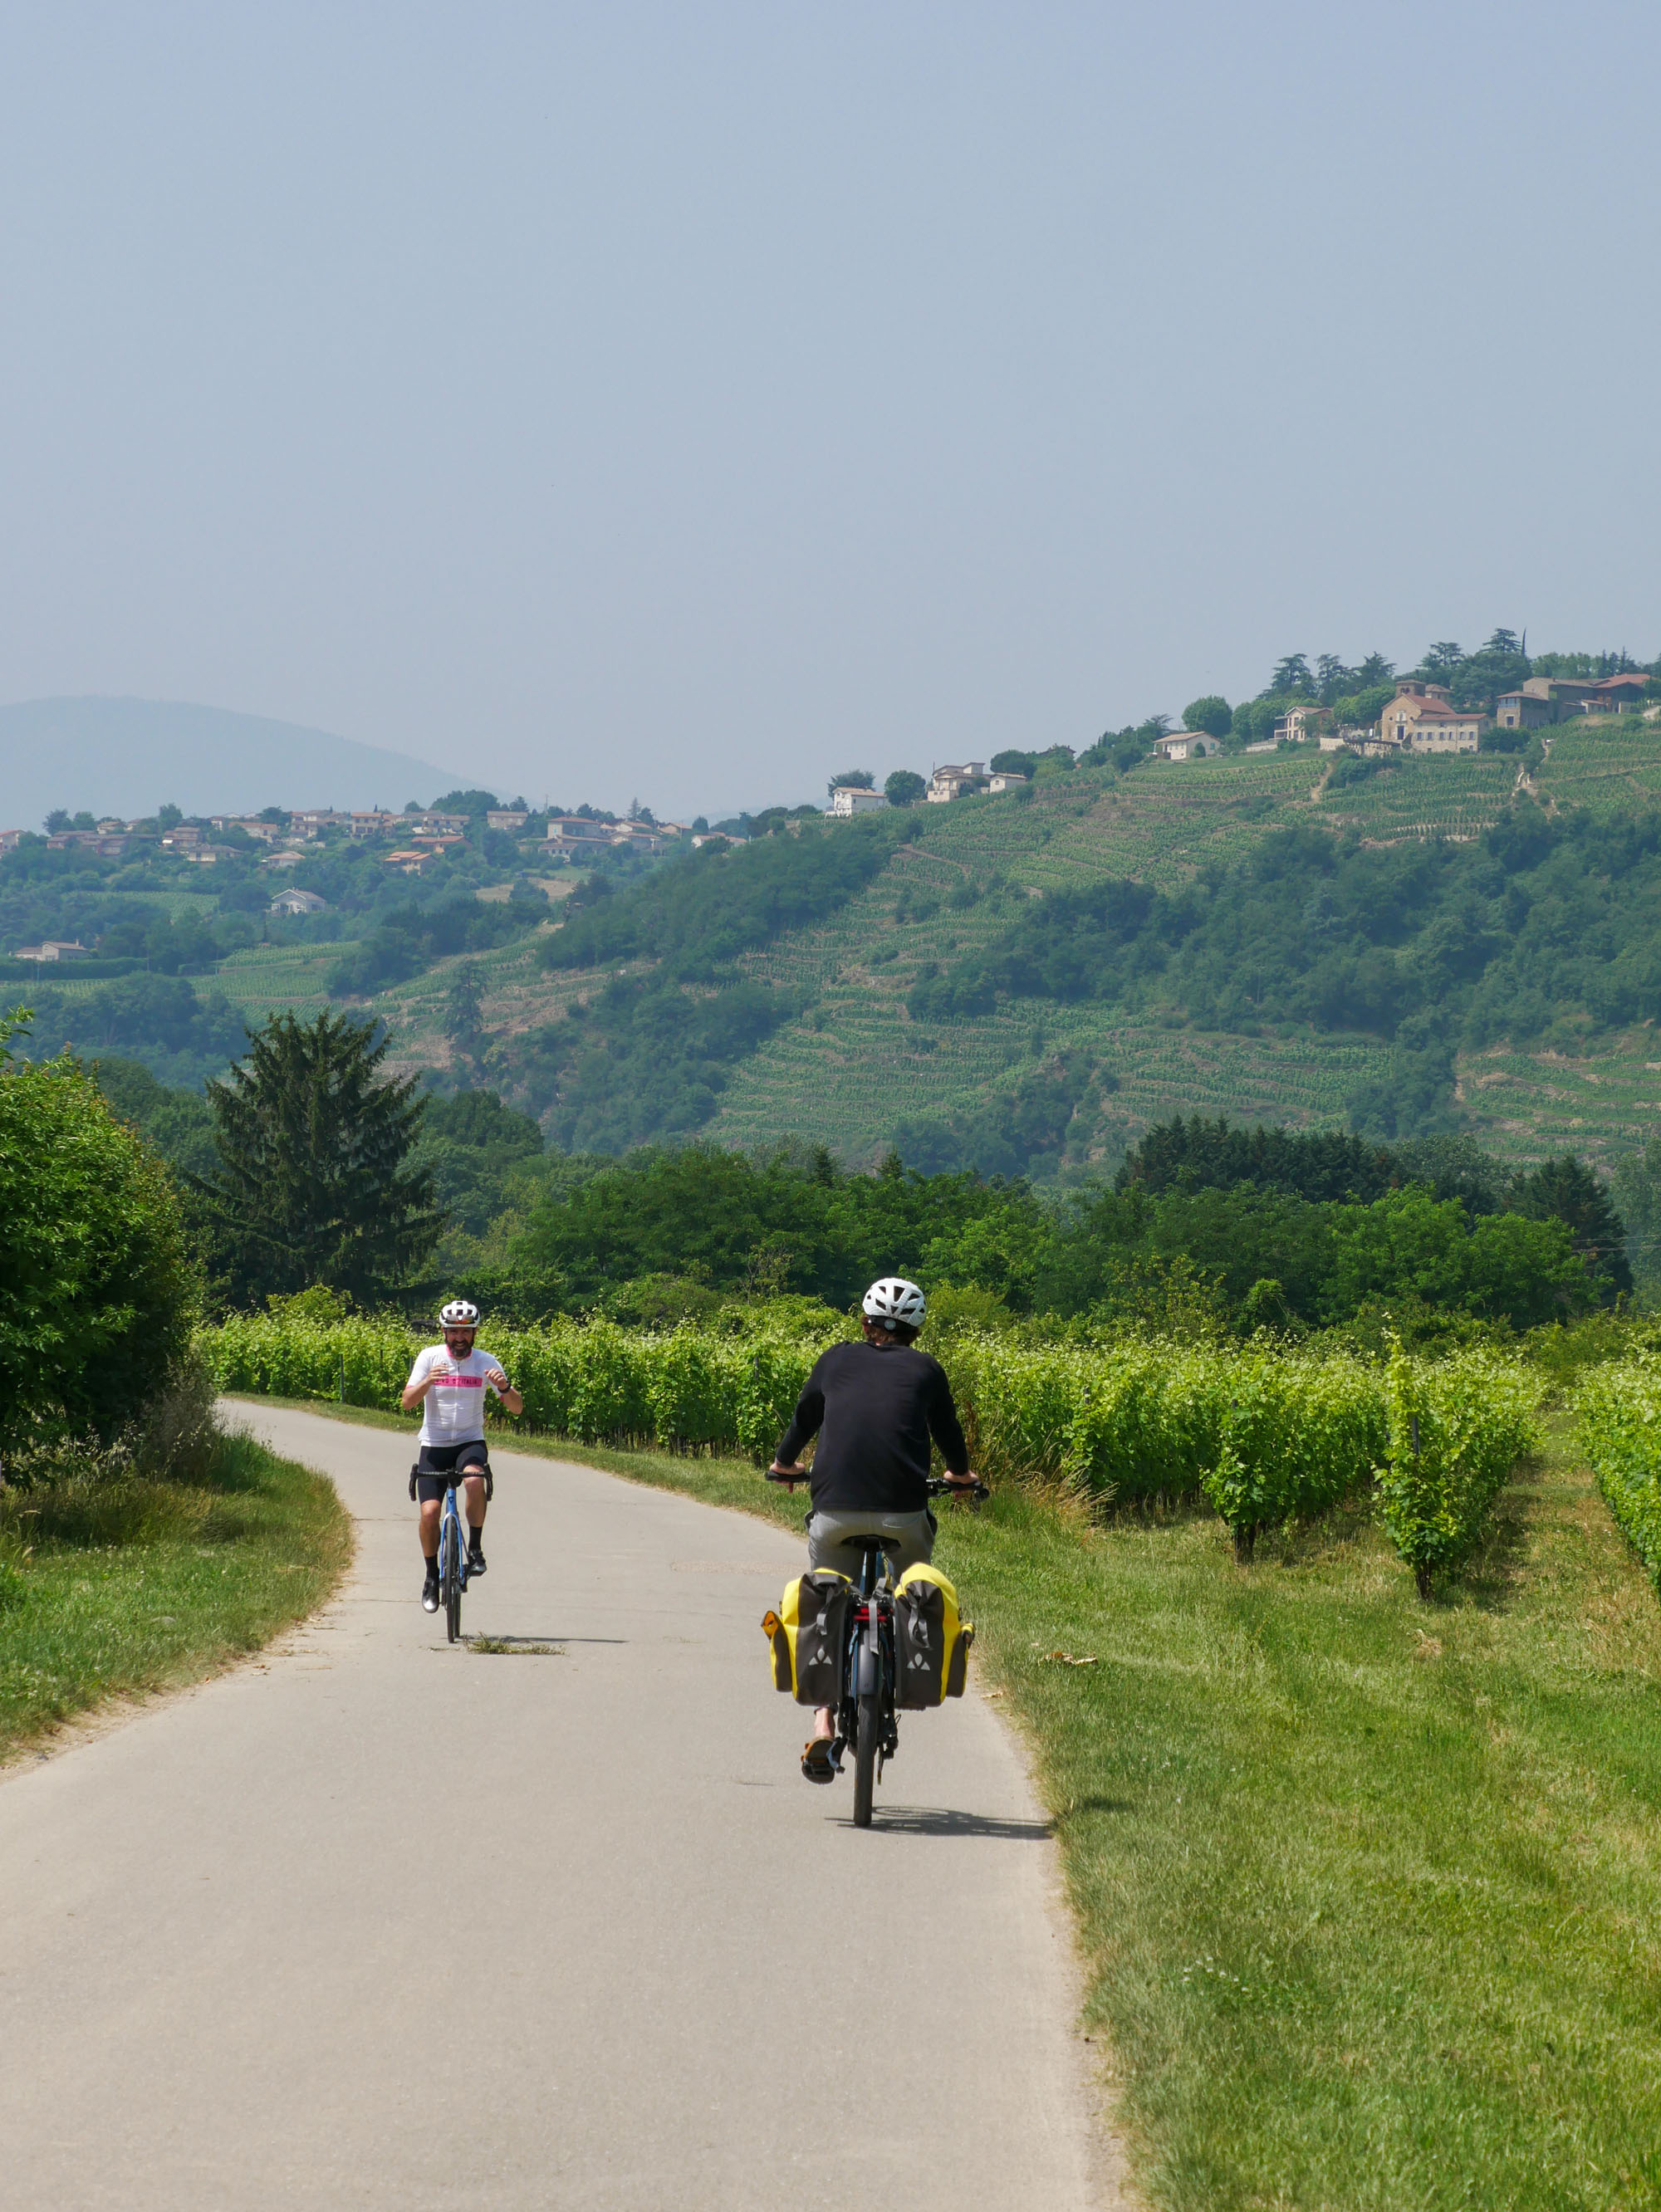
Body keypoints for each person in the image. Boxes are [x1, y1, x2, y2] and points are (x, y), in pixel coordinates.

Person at [769, 1275, 982, 1783]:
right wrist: (960, 1476)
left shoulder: (834, 1360)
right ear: (916, 1332)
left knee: (824, 1598)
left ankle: (823, 1723)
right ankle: (904, 1657)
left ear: (865, 1324)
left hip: (835, 1510)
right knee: (915, 1589)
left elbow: (804, 1420)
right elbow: (948, 1433)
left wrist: (784, 1465)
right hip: (902, 1514)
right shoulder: (926, 1370)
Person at [401, 1299, 522, 1613]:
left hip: (470, 1441)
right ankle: (431, 1577)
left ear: (474, 1333)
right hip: (434, 1445)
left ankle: (476, 1549)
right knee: (430, 1513)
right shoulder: (429, 1357)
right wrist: (428, 1381)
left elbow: (517, 1408)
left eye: (465, 1332)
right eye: (453, 1331)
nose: (459, 1338)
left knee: (474, 1480)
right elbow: (407, 1402)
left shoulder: (485, 1361)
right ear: (443, 1332)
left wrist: (505, 1388)